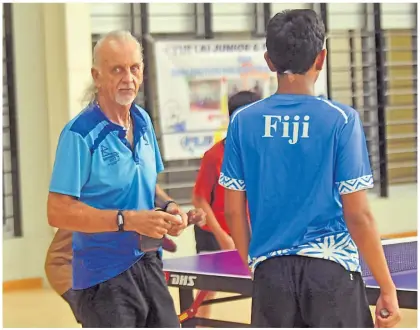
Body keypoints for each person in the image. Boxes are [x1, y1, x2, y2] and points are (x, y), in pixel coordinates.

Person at [219, 9, 401, 328]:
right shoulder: (341, 121)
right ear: (322, 58)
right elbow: (358, 215)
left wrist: (256, 266)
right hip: (331, 276)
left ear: (269, 61)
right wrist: (387, 287)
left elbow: (233, 212)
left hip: (271, 276)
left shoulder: (241, 122)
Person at [47, 30, 193, 328]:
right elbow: (57, 210)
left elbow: (144, 183)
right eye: (117, 69)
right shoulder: (79, 134)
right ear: (96, 76)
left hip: (149, 262)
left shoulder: (142, 120)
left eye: (134, 68)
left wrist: (170, 209)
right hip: (103, 276)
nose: (128, 78)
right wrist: (127, 220)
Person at [45, 210, 206, 324]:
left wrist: (182, 219)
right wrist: (83, 300)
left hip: (142, 283)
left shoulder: (140, 190)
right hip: (102, 290)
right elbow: (56, 261)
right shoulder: (92, 204)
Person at [192, 91, 260, 321]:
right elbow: (200, 199)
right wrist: (222, 236)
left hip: (248, 232)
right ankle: (197, 323)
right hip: (214, 233)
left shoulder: (260, 154)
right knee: (208, 290)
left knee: (264, 283)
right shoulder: (214, 156)